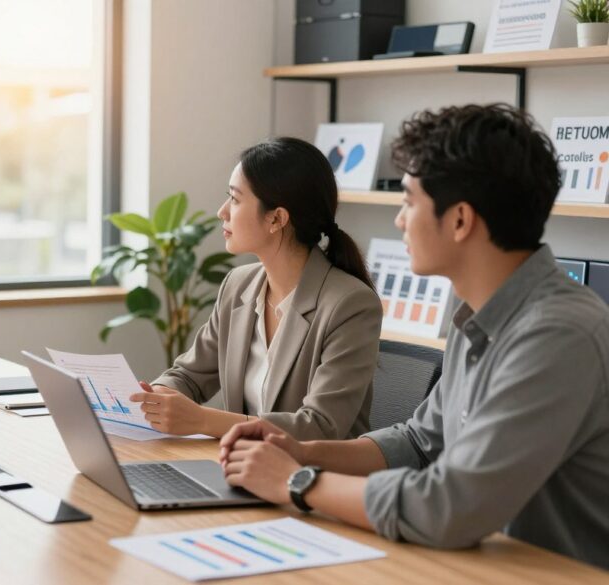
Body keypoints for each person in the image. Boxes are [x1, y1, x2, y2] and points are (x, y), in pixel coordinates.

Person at [219, 104, 609, 570]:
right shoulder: (480, 318)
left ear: (460, 220)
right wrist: (302, 450)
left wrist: (299, 481)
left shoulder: (558, 336)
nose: (400, 221)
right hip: (473, 564)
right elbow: (421, 443)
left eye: (408, 202)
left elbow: (452, 505)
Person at [130, 137, 383, 439]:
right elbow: (189, 376)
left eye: (235, 199)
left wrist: (202, 420)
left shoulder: (350, 304)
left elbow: (319, 426)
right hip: (243, 468)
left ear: (276, 218)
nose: (222, 211)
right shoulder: (238, 286)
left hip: (313, 477)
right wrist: (157, 397)